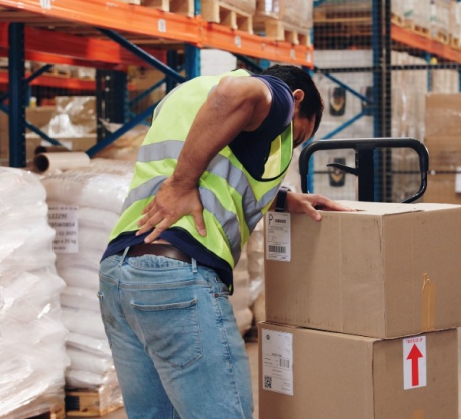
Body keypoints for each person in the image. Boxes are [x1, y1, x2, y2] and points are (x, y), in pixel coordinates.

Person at [98, 65, 352, 419]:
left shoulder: (183, 94)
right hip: (174, 276)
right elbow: (234, 95)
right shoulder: (277, 95)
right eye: (297, 135)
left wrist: (281, 198)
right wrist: (182, 184)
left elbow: (220, 162)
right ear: (297, 101)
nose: (289, 144)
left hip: (118, 275)